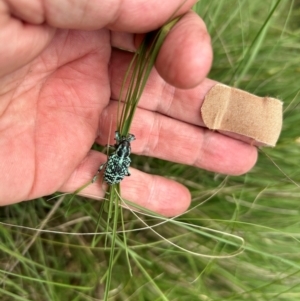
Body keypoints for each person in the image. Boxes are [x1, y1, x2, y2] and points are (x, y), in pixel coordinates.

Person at [0, 0, 257, 216]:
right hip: (112, 168)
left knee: (116, 164)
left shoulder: (119, 151)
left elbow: (118, 156)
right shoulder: (120, 150)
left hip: (111, 168)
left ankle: (106, 179)